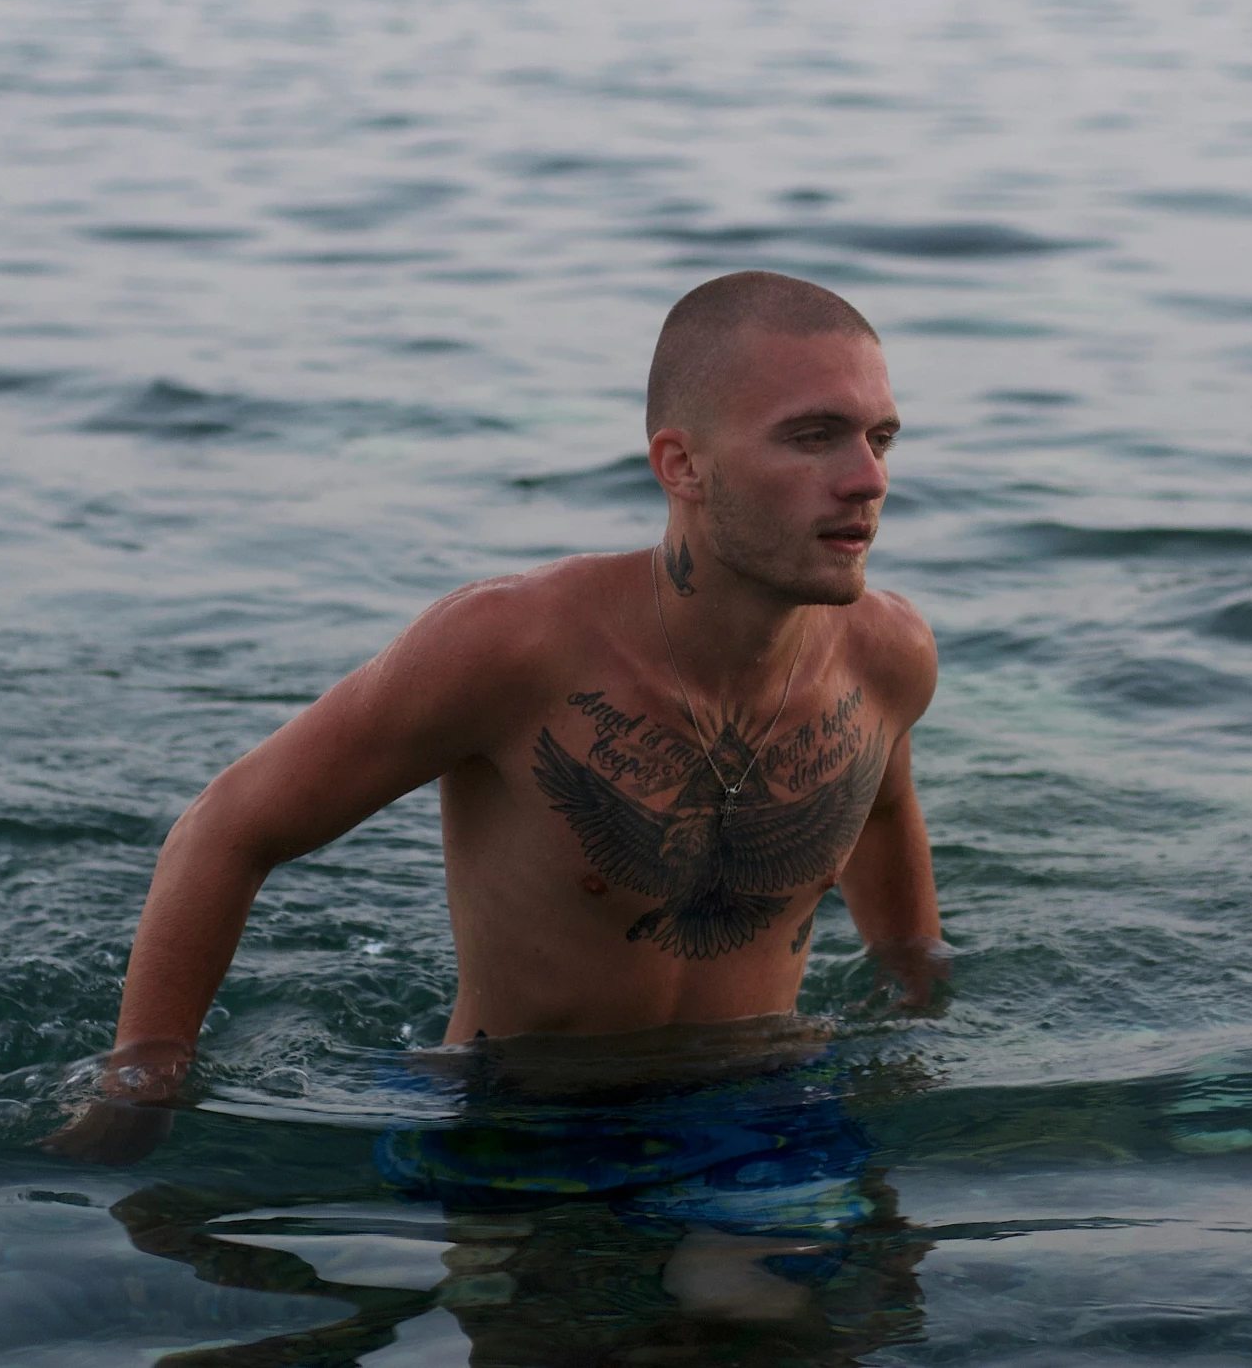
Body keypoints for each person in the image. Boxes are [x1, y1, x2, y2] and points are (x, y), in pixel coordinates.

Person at [47, 269, 948, 1168]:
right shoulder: (511, 648)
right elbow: (224, 831)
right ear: (682, 466)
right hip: (513, 1111)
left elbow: (873, 806)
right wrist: (143, 1078)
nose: (867, 479)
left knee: (828, 1307)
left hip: (762, 1099)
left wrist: (913, 991)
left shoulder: (886, 656)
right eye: (813, 437)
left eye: (881, 439)